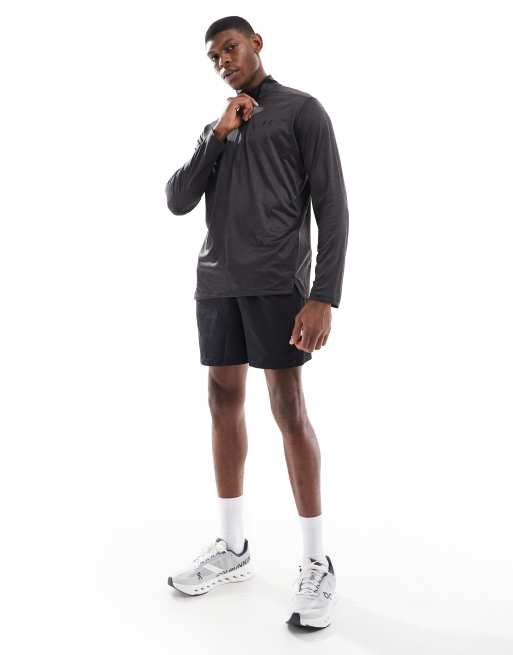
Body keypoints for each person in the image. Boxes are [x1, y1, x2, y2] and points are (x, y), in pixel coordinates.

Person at [165, 15, 349, 630]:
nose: (224, 60)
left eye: (231, 48)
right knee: (222, 403)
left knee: (288, 408)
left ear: (256, 44)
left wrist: (323, 295)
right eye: (214, 56)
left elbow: (333, 207)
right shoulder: (218, 127)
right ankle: (233, 547)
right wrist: (217, 135)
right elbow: (178, 199)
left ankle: (316, 561)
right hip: (217, 285)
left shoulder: (302, 111)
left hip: (277, 286)